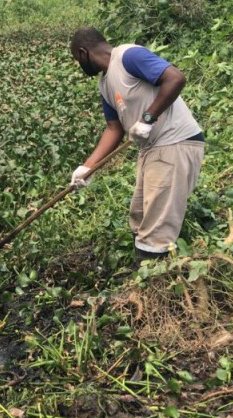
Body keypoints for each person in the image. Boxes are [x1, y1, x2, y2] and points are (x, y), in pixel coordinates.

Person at [68, 27, 205, 266]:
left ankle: (152, 281)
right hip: (152, 149)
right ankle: (145, 270)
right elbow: (114, 129)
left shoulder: (128, 56)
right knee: (140, 217)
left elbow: (175, 78)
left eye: (77, 61)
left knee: (157, 227)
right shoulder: (105, 83)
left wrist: (147, 118)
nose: (80, 67)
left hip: (175, 143)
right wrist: (87, 168)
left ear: (83, 52)